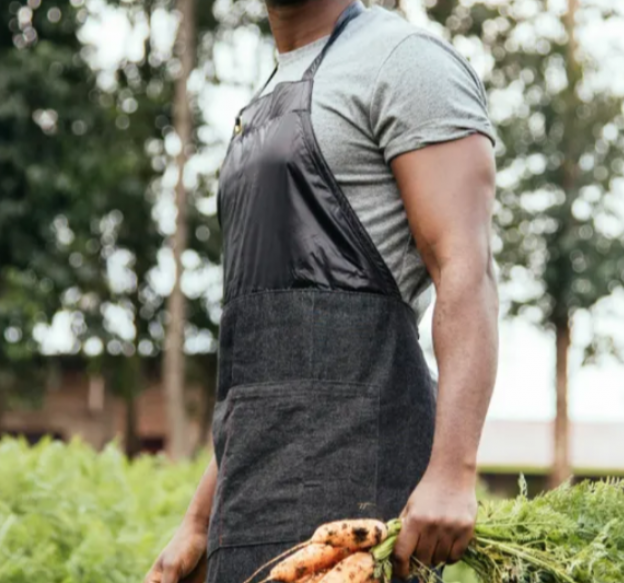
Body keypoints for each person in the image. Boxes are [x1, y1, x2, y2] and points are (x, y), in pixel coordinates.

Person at [145, 0, 498, 581]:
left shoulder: (406, 64)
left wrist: (453, 474)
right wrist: (200, 519)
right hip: (248, 512)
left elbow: (467, 268)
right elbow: (267, 373)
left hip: (358, 513)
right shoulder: (261, 99)